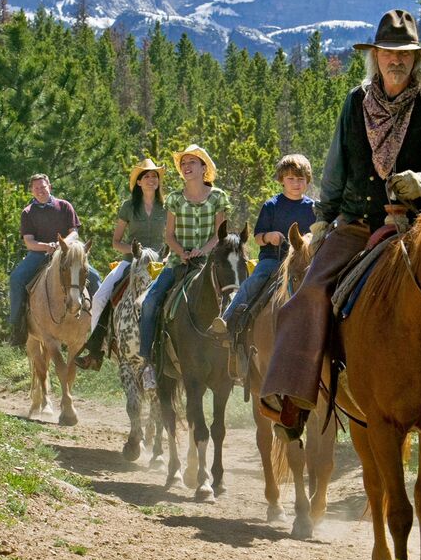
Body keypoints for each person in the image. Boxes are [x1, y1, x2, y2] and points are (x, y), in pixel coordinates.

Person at [260, 9, 421, 432]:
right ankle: (295, 397)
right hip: (356, 224)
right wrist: (324, 219)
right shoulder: (355, 103)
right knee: (310, 292)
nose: (397, 61)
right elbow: (335, 170)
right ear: (375, 56)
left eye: (406, 54)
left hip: (417, 227)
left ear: (417, 60)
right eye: (389, 52)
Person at [138, 145, 230, 389]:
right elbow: (169, 235)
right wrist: (183, 252)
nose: (186, 167)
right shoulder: (175, 199)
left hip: (210, 263)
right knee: (149, 302)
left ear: (203, 168)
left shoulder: (219, 197)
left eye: (192, 162)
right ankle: (147, 362)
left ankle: (238, 360)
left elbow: (221, 234)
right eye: (183, 164)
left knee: (236, 298)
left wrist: (205, 250)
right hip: (179, 263)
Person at [75, 158, 167, 371]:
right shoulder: (128, 207)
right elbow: (116, 242)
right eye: (147, 176)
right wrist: (138, 252)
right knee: (99, 298)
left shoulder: (168, 206)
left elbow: (173, 236)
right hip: (131, 261)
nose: (151, 179)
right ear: (139, 182)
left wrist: (163, 255)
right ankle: (95, 350)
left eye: (155, 176)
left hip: (160, 262)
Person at [211, 153, 315, 340]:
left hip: (302, 261)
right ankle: (226, 321)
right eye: (290, 178)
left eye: (300, 179)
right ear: (282, 180)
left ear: (307, 180)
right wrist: (269, 236)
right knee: (254, 281)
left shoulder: (313, 208)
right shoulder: (272, 205)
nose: (296, 183)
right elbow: (258, 237)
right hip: (273, 259)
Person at [9, 173, 101, 346]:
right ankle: (17, 326)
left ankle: (100, 326)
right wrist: (47, 246)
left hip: (67, 253)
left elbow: (74, 232)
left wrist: (62, 244)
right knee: (16, 279)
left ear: (49, 187)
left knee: (95, 277)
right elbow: (29, 242)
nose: (40, 191)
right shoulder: (27, 212)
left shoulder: (64, 206)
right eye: (36, 188)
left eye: (43, 187)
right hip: (39, 254)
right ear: (31, 191)